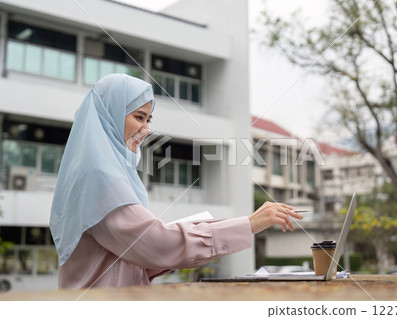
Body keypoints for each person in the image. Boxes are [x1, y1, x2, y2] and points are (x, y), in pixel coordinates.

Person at [50, 73, 303, 289]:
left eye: (148, 120)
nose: (146, 129)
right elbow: (155, 244)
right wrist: (248, 224)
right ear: (110, 114)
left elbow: (135, 257)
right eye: (139, 117)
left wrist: (173, 250)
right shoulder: (100, 177)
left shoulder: (100, 171)